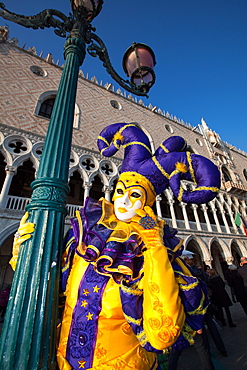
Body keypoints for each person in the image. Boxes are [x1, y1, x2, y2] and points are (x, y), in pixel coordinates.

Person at [10, 123, 220, 370]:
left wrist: (154, 246)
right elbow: (47, 288)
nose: (123, 200)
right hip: (65, 361)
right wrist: (24, 250)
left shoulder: (149, 249)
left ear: (147, 202)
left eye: (134, 195)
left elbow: (162, 332)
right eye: (120, 191)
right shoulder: (88, 239)